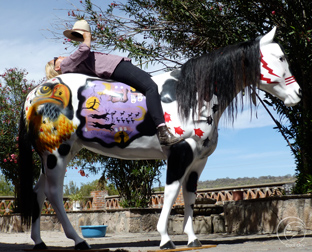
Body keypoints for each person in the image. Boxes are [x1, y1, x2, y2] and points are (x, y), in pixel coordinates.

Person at [45, 21, 182, 146]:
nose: (60, 56)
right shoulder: (66, 66)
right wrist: (87, 37)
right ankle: (162, 132)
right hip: (115, 67)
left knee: (150, 87)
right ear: (57, 68)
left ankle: (161, 123)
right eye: (56, 59)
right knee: (151, 87)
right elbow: (84, 49)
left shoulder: (71, 64)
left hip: (115, 67)